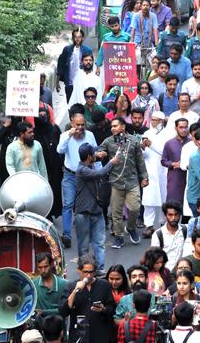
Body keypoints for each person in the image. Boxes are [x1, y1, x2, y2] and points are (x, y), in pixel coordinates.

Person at [97, 116, 147, 248]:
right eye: (112, 126)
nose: (112, 128)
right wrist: (100, 154)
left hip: (132, 181)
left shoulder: (134, 141)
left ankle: (130, 228)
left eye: (115, 126)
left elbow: (140, 161)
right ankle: (119, 236)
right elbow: (99, 150)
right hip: (116, 182)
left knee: (135, 207)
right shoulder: (108, 141)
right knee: (116, 212)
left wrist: (144, 177)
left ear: (123, 127)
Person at [57, 114, 97, 247]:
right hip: (70, 175)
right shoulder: (65, 136)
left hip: (86, 175)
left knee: (86, 205)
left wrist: (97, 172)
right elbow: (60, 150)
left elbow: (94, 153)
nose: (80, 128)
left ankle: (87, 233)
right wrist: (69, 136)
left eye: (82, 125)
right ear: (72, 124)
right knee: (68, 204)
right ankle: (67, 235)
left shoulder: (89, 135)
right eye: (77, 125)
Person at [73, 143, 115, 268]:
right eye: (94, 153)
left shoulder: (91, 165)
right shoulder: (82, 170)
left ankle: (100, 269)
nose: (96, 155)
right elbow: (99, 174)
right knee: (84, 245)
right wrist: (111, 162)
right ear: (89, 156)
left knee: (99, 243)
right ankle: (85, 270)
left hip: (96, 210)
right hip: (83, 212)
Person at [58, 28, 93, 95]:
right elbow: (60, 65)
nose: (77, 39)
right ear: (73, 38)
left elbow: (90, 67)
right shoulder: (67, 50)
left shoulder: (88, 50)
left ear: (82, 38)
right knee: (70, 103)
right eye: (75, 37)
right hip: (69, 83)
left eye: (79, 37)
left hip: (82, 83)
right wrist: (57, 82)